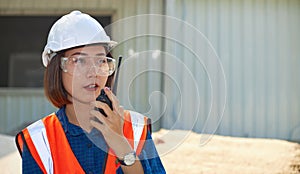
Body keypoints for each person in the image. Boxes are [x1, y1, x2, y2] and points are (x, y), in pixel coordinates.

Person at [15, 10, 166, 174]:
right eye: (79, 60)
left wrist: (121, 144)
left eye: (100, 60)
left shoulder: (136, 129)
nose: (93, 72)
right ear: (56, 68)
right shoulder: (39, 141)